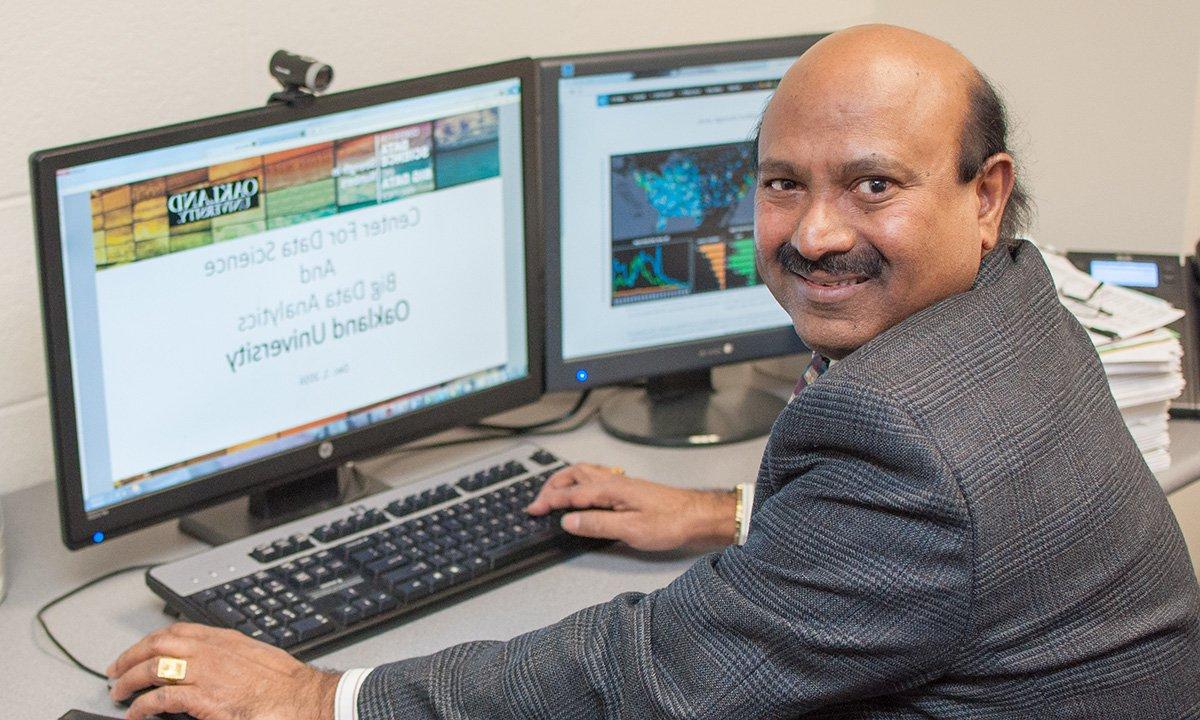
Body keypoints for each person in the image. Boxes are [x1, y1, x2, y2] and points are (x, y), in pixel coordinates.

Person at [106, 24, 1200, 719]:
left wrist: (320, 698)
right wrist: (731, 510)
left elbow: (648, 676)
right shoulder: (1018, 304)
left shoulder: (902, 440)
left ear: (986, 191)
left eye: (873, 186)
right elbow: (927, 545)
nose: (815, 233)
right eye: (782, 183)